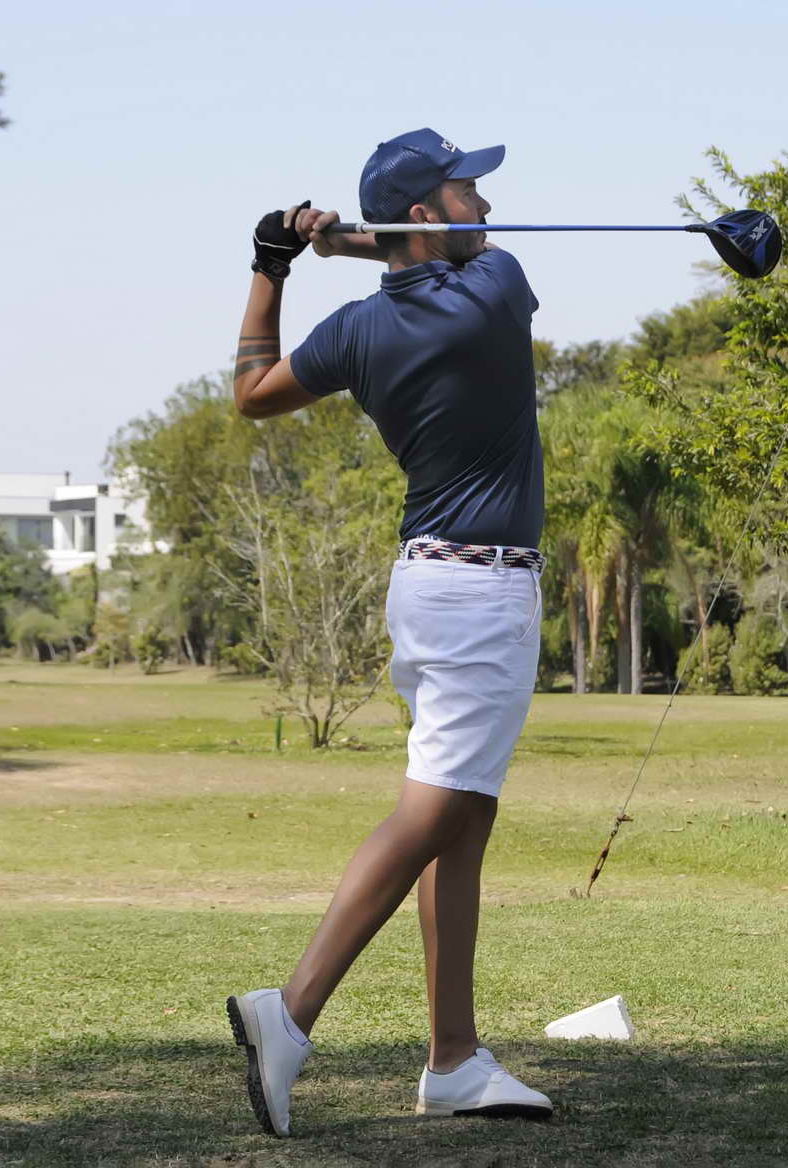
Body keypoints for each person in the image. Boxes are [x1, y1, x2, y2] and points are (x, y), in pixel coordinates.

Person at [223, 128, 552, 1138]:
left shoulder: (359, 331)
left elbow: (253, 393)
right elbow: (447, 254)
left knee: (462, 822)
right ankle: (289, 1013)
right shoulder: (496, 287)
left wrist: (276, 264)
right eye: (465, 190)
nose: (483, 206)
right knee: (431, 813)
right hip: (482, 595)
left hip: (427, 584)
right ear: (423, 213)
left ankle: (453, 1059)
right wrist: (342, 241)